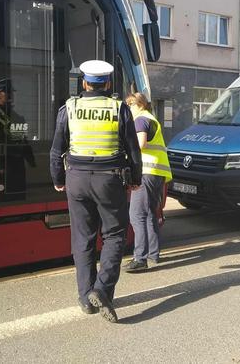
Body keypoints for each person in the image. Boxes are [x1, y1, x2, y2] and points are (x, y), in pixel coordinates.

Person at [49, 60, 142, 323]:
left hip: (76, 179)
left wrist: (58, 178)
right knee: (114, 235)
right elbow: (133, 150)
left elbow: (57, 149)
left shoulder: (70, 107)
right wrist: (135, 178)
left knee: (83, 238)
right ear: (109, 83)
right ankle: (102, 290)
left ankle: (85, 298)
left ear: (84, 82)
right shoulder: (118, 108)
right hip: (109, 180)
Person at [123, 92, 172, 272]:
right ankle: (153, 254)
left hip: (146, 172)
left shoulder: (141, 120)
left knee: (137, 215)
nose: (128, 108)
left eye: (130, 104)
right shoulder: (151, 118)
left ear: (140, 105)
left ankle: (139, 258)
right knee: (150, 213)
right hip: (156, 172)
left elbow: (141, 143)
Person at [0, 78, 35, 201]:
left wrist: (31, 160)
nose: (11, 96)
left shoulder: (15, 115)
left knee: (17, 195)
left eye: (11, 93)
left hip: (15, 160)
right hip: (2, 160)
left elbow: (22, 140)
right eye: (7, 92)